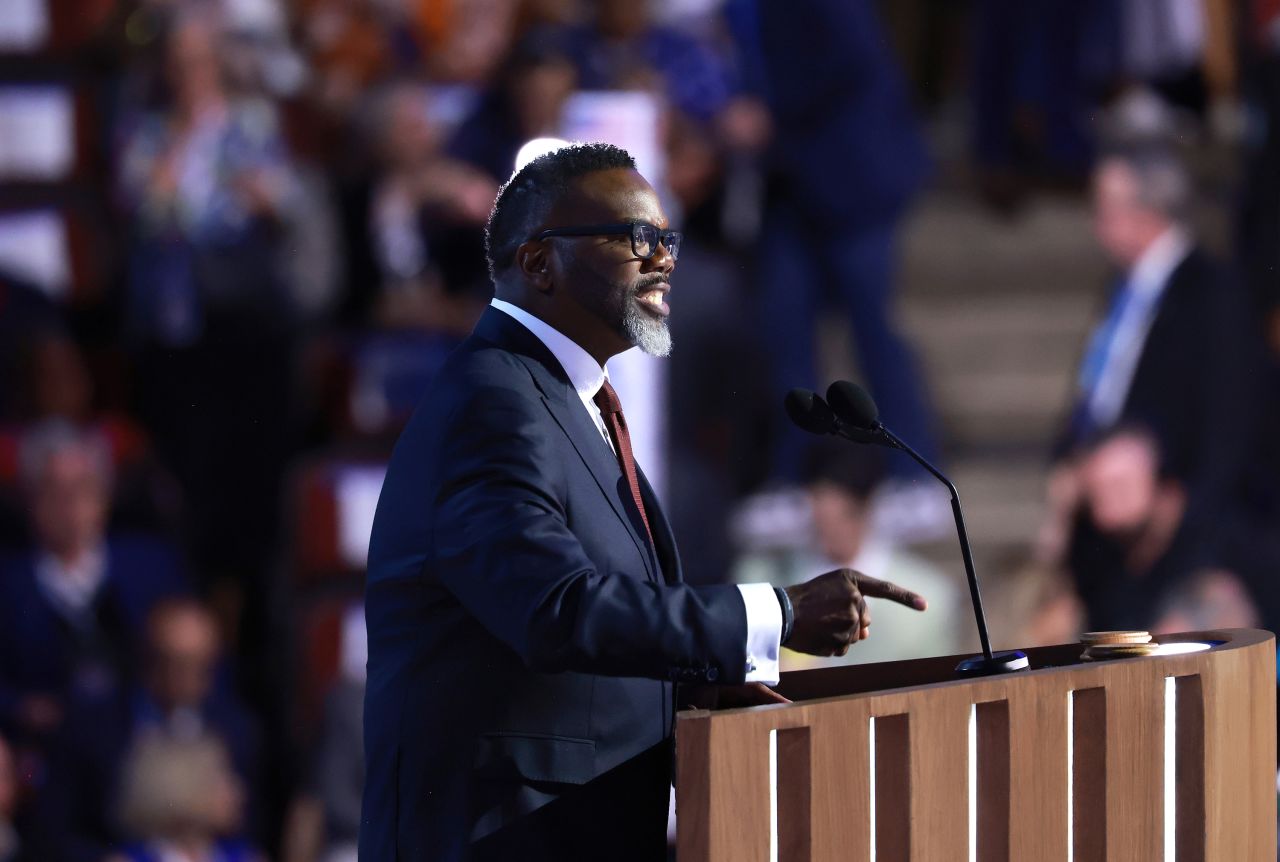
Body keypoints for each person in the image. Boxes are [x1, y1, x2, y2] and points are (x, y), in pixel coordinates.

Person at [360, 142, 929, 861]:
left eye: (667, 237)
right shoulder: (492, 401)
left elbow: (591, 635)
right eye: (634, 237)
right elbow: (556, 608)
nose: (663, 258)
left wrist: (693, 693)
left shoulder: (572, 401)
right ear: (540, 263)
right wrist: (774, 613)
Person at [1041, 146, 1262, 562]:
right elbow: (1100, 385)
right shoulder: (1123, 288)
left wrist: (1182, 508)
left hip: (1168, 522)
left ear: (1148, 211)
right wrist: (1069, 459)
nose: (1096, 222)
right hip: (1104, 509)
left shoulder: (1210, 290)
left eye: (1105, 208)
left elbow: (1225, 416)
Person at [0, 422, 186, 744]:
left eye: (83, 488)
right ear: (29, 499)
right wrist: (21, 708)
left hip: (144, 742)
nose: (70, 505)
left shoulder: (152, 567)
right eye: (53, 491)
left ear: (104, 496)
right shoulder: (8, 583)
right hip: (44, 749)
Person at [34, 599, 260, 862]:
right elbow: (55, 832)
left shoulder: (237, 731)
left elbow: (250, 825)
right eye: (182, 663)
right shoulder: (89, 728)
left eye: (206, 664)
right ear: (150, 660)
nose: (196, 677)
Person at [734, 441, 963, 667]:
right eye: (821, 515)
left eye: (847, 515)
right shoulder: (757, 581)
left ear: (868, 507)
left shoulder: (930, 595)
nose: (832, 529)